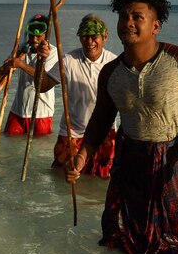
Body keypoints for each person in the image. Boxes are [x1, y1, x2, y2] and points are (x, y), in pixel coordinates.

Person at [65, 0, 178, 254]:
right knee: (124, 236)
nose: (128, 22)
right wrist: (81, 157)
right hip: (131, 158)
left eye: (137, 17)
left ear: (156, 25)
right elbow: (101, 120)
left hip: (177, 158)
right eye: (123, 16)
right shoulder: (110, 72)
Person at [36, 14, 118, 178]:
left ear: (105, 37)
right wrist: (41, 61)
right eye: (85, 37)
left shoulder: (114, 62)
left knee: (102, 180)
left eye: (94, 37)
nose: (89, 42)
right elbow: (42, 87)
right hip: (72, 134)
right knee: (62, 179)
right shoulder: (68, 60)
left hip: (104, 133)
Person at [0, 14, 57, 137]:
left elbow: (43, 78)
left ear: (46, 35)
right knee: (10, 143)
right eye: (31, 35)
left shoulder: (52, 52)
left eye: (38, 36)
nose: (34, 39)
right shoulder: (22, 49)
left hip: (41, 113)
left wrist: (21, 65)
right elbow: (6, 66)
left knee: (37, 150)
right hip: (18, 111)